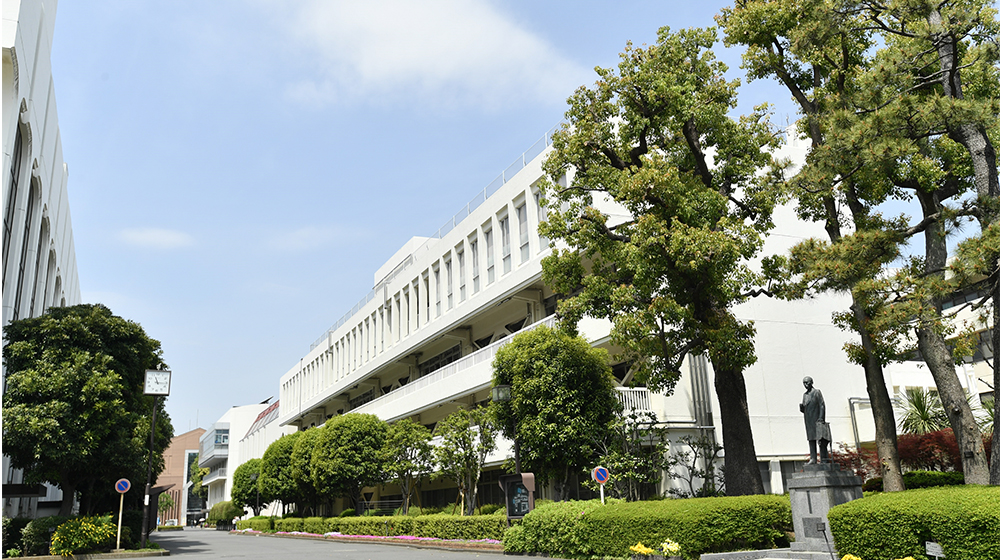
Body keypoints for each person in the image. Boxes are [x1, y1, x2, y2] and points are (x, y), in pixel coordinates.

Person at [799, 376, 830, 463]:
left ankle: (824, 458)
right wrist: (802, 408)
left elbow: (822, 405)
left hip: (817, 419)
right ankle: (813, 458)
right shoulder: (805, 395)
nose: (805, 385)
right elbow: (806, 408)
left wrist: (821, 417)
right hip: (808, 420)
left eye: (807, 382)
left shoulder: (817, 392)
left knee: (821, 439)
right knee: (811, 439)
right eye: (804, 383)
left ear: (812, 382)